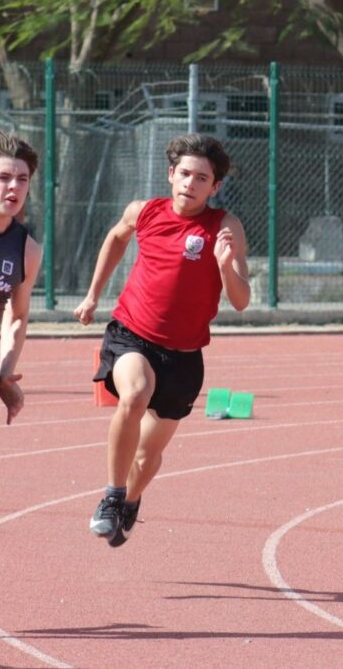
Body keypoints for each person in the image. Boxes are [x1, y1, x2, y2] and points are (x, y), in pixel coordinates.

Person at [74, 133, 250, 547]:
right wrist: (93, 294)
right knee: (134, 396)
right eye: (184, 173)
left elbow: (241, 301)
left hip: (184, 357)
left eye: (201, 178)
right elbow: (116, 238)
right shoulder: (144, 211)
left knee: (147, 456)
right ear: (171, 174)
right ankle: (113, 496)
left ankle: (131, 498)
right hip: (131, 334)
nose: (190, 183)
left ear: (215, 186)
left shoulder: (225, 227)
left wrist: (226, 267)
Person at [0, 130, 41, 450]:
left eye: (22, 179)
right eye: (4, 177)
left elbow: (18, 315)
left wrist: (5, 373)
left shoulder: (26, 250)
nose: (14, 186)